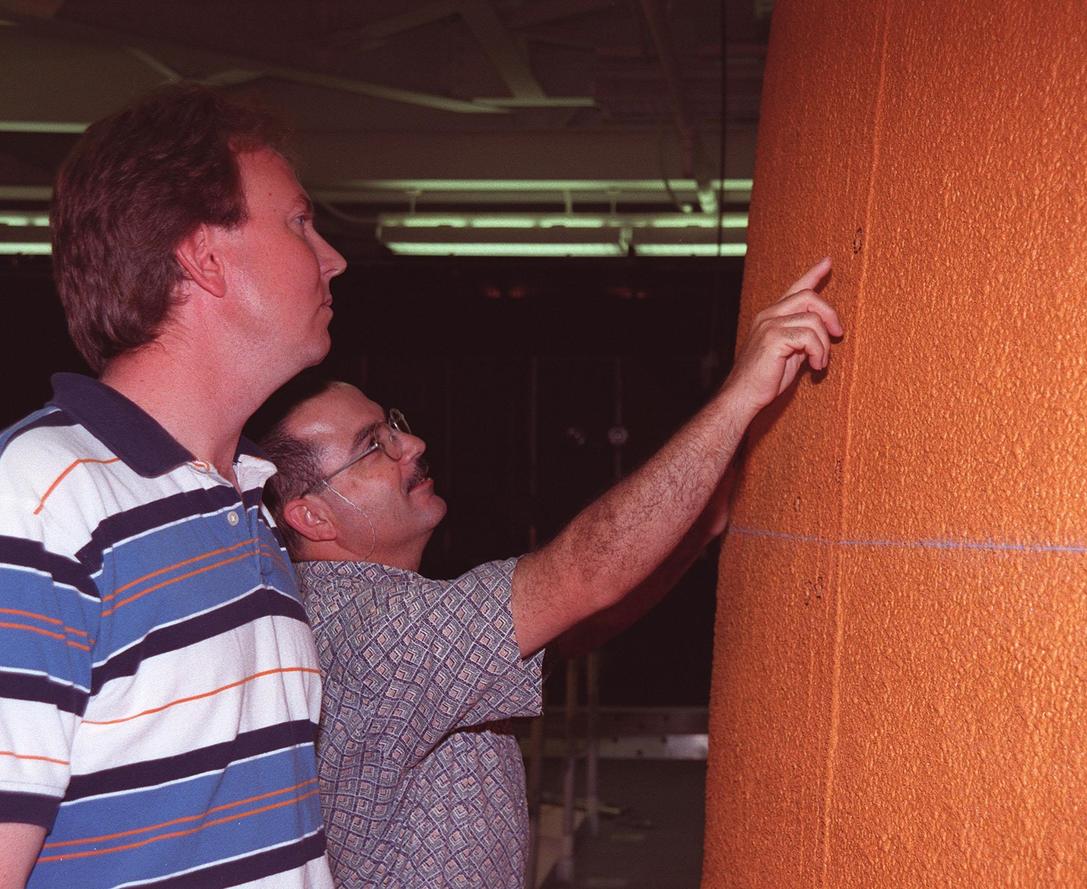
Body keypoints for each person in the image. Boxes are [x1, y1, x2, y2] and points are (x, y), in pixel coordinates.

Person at [257, 259, 842, 888]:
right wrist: (739, 395)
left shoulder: (361, 610)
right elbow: (583, 573)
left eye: (392, 424)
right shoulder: (376, 632)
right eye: (374, 446)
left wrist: (697, 526)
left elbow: (566, 632)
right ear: (311, 515)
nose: (412, 444)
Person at [0, 84, 346, 888]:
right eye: (299, 222)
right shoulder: (44, 496)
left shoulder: (242, 499)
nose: (332, 257)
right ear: (203, 256)